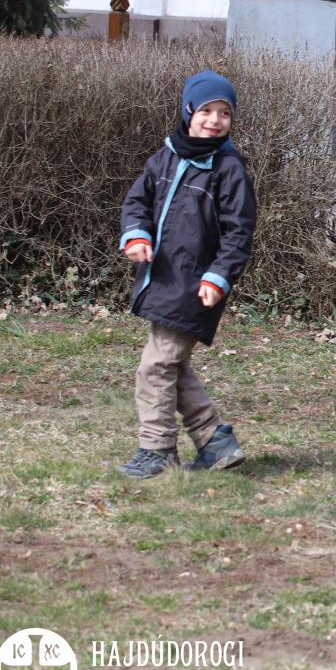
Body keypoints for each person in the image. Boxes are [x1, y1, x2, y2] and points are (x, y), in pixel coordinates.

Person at [117, 69, 256, 478]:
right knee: (172, 364)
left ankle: (157, 449)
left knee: (156, 366)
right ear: (188, 111)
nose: (215, 120)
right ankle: (215, 442)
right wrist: (136, 235)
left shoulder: (229, 169)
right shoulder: (166, 156)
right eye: (207, 111)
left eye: (224, 113)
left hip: (195, 285)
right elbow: (137, 201)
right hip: (161, 277)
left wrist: (218, 278)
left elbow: (239, 233)